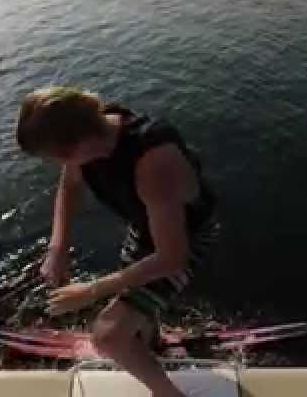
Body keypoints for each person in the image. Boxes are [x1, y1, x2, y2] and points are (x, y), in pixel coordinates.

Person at [16, 86, 219, 397]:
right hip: (147, 226)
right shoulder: (90, 131)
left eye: (56, 157)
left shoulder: (153, 161)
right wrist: (58, 249)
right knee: (133, 312)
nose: (57, 163)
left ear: (78, 144)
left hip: (184, 239)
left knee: (108, 336)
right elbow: (70, 187)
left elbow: (171, 258)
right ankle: (150, 340)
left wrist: (91, 291)